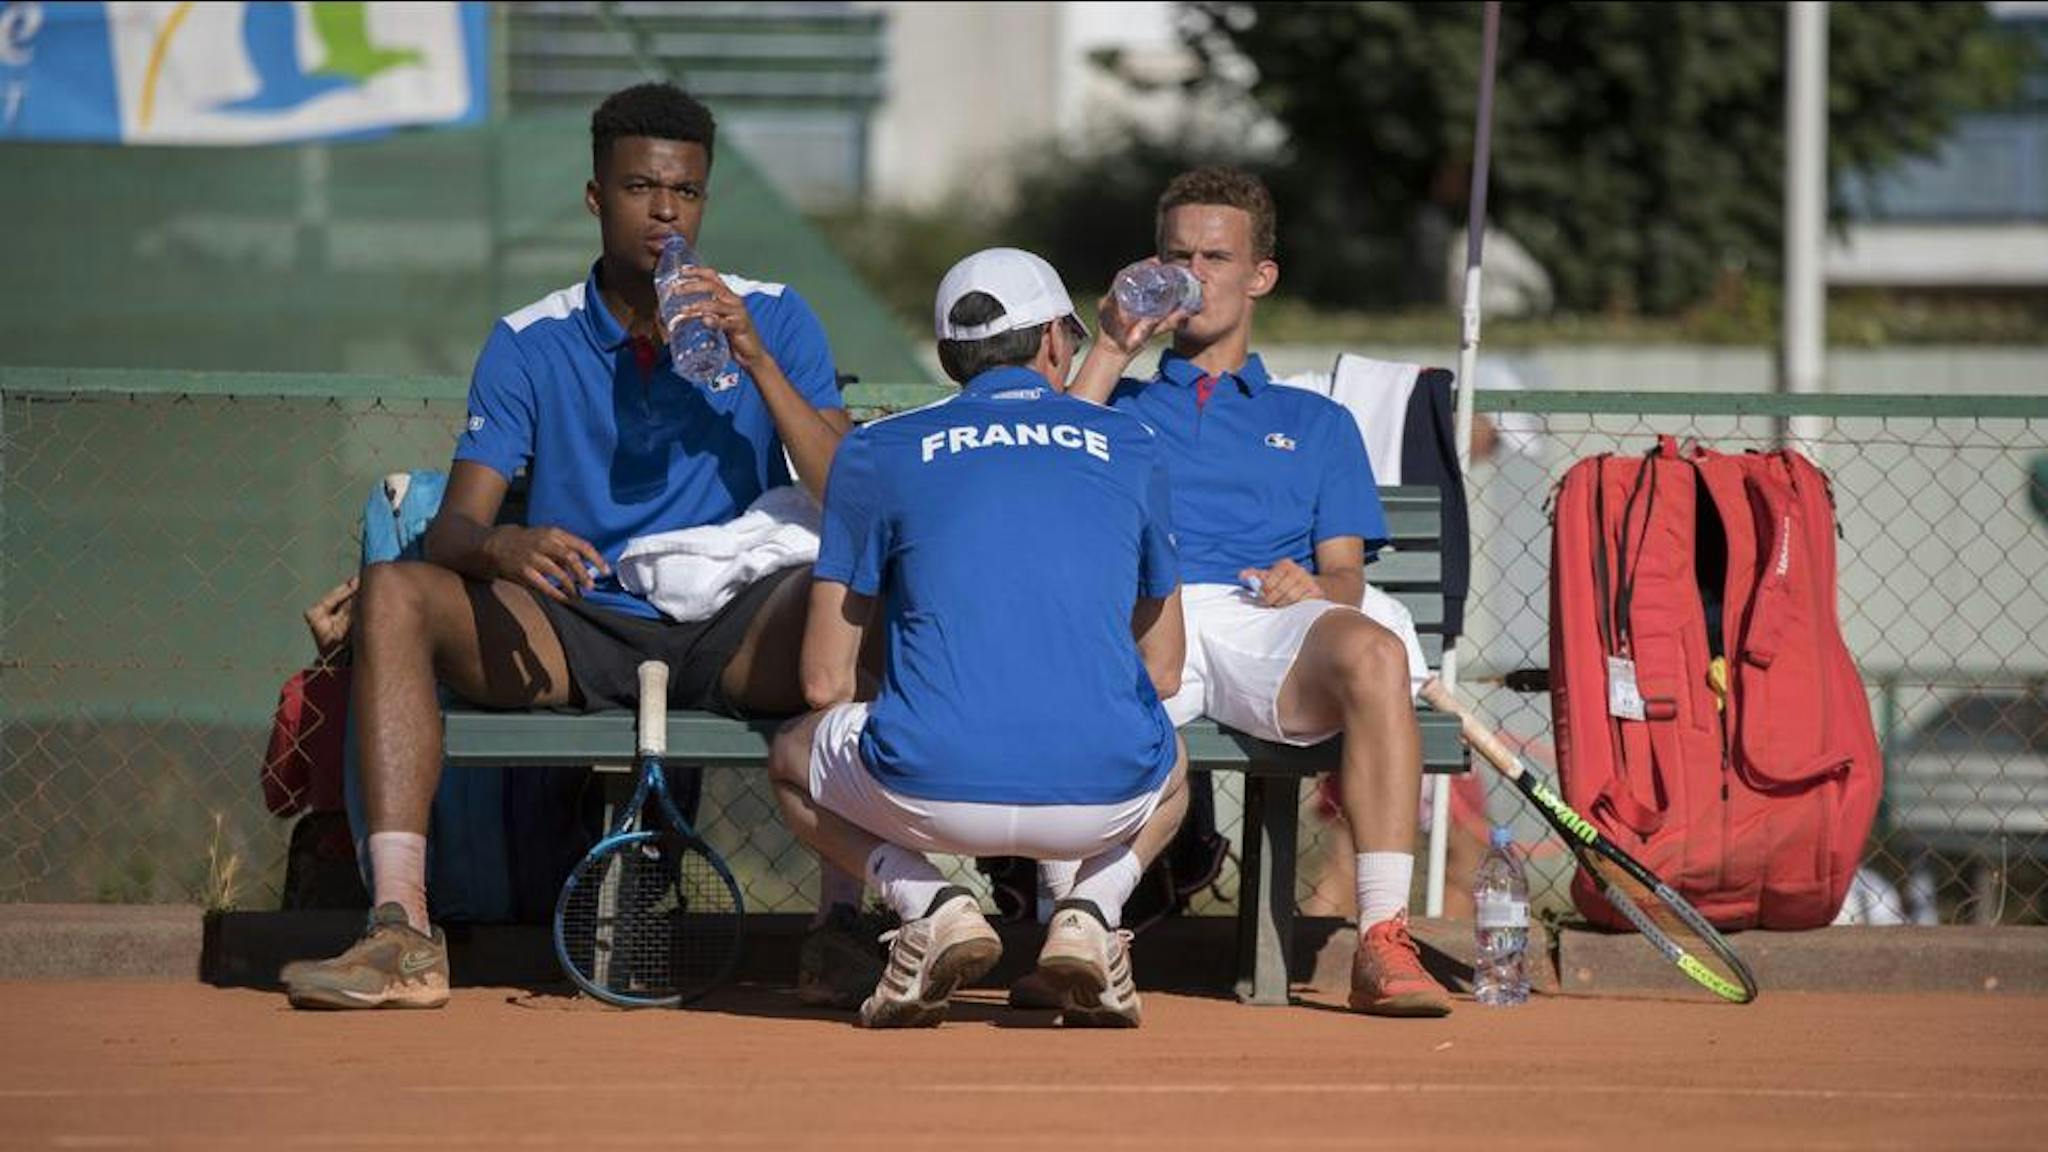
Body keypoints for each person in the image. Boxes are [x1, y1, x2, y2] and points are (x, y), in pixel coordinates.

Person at [281, 82, 851, 1010]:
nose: (666, 212)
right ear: (596, 197)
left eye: (687, 193)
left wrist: (756, 360)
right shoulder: (527, 340)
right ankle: (401, 930)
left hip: (736, 625)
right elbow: (456, 525)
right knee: (394, 589)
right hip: (580, 617)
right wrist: (504, 548)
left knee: (854, 583)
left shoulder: (773, 315)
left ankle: (850, 930)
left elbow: (850, 492)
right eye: (640, 189)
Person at [1063, 167, 1453, 1017]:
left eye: (1215, 256)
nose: (1193, 275)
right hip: (1143, 617)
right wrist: (1113, 346)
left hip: (1258, 623)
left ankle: (1382, 939)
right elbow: (1049, 463)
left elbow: (1347, 577)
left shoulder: (1318, 422)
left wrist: (1313, 581)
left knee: (1376, 650)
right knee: (1080, 709)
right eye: (1176, 256)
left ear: (1260, 275)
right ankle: (1080, 931)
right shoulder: (1119, 401)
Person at [765, 247, 1190, 1028]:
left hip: (924, 790)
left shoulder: (877, 450)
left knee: (791, 756)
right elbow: (1164, 669)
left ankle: (929, 901)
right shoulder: (1132, 446)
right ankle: (1091, 912)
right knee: (1176, 766)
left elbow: (824, 684)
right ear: (1057, 344)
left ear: (948, 353)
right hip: (1102, 797)